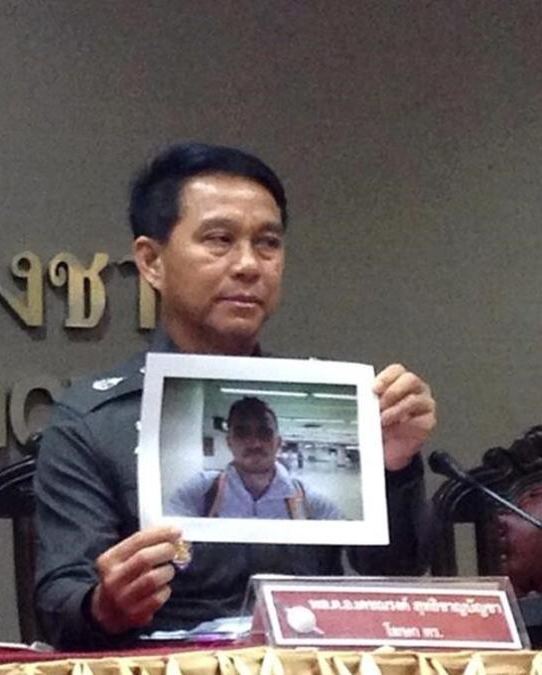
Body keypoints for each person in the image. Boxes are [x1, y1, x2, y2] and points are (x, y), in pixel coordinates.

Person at [33, 142, 436, 649]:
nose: (249, 265)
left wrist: (394, 470)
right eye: (219, 240)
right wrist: (105, 606)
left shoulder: (336, 406)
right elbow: (59, 601)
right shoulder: (93, 420)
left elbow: (397, 575)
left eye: (268, 244)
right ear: (151, 261)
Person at [167, 397, 342, 520]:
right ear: (230, 442)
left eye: (264, 433)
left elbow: (355, 551)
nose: (255, 443)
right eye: (242, 433)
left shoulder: (308, 499)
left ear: (278, 442)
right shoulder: (201, 491)